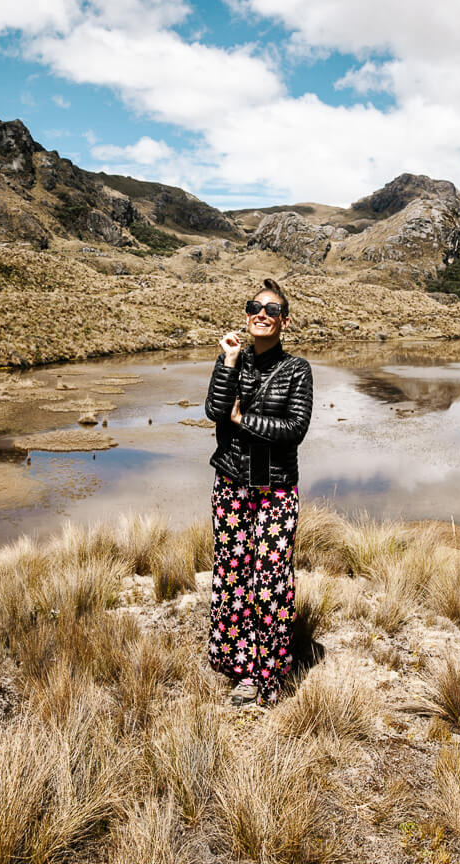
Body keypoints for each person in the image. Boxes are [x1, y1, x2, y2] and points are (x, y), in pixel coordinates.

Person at [204, 278, 313, 706]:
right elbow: (214, 410)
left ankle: (267, 672)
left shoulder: (297, 369)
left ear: (284, 321)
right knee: (232, 574)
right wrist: (229, 362)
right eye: (255, 306)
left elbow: (294, 430)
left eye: (271, 309)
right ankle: (235, 664)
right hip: (231, 481)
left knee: (269, 580)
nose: (261, 313)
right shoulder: (232, 358)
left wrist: (241, 419)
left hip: (275, 487)